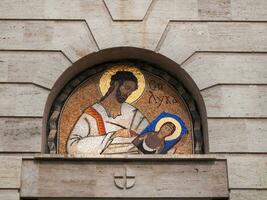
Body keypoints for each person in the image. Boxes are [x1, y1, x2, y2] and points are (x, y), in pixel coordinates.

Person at [67, 71, 149, 154]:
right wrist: (113, 135)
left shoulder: (135, 115)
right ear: (116, 84)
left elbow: (148, 144)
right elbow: (72, 147)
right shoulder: (92, 114)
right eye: (127, 88)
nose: (128, 93)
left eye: (131, 91)